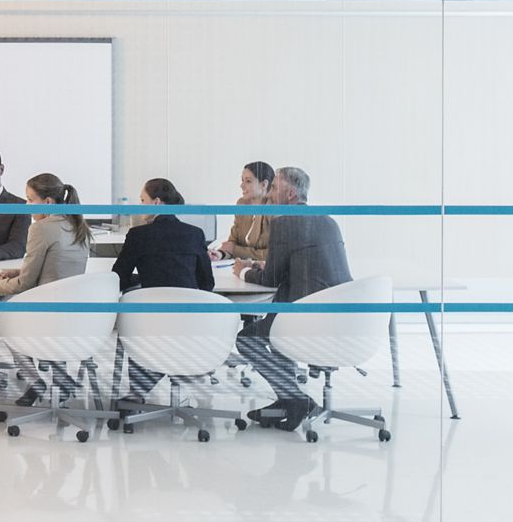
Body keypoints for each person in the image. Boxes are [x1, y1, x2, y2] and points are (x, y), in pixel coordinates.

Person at [238, 166, 350, 431]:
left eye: (274, 188)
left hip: (307, 320)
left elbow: (270, 279)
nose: (269, 195)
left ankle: (296, 400)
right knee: (276, 327)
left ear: (289, 194)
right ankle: (289, 401)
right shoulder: (327, 220)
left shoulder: (285, 223)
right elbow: (302, 263)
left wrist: (243, 270)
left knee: (247, 339)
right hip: (340, 319)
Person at [110, 178, 214, 406]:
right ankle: (177, 376)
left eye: (142, 200)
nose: (140, 206)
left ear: (156, 202)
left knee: (137, 322)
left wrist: (144, 278)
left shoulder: (138, 235)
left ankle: (138, 393)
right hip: (190, 324)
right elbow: (207, 283)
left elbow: (118, 278)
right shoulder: (195, 234)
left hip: (151, 324)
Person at [0, 177, 91, 297]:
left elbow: (23, 284)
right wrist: (20, 273)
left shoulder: (41, 228)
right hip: (70, 301)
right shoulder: (78, 226)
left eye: (30, 200)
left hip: (47, 302)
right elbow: (58, 272)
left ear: (48, 202)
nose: (26, 205)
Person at [214, 160, 275, 265]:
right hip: (239, 269)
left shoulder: (274, 210)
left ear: (264, 184)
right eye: (242, 180)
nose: (242, 186)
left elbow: (272, 254)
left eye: (248, 181)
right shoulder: (242, 204)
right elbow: (232, 241)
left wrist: (236, 250)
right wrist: (221, 254)